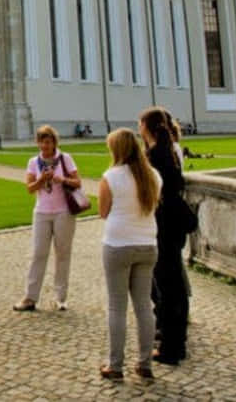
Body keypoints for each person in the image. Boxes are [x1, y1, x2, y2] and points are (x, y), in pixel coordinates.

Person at [97, 128, 161, 382]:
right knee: (144, 305)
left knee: (117, 306)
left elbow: (103, 212)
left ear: (117, 150)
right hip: (147, 244)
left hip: (118, 245)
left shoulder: (111, 176)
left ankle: (115, 366)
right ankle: (145, 363)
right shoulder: (153, 176)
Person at [140, 108, 190, 365]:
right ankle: (178, 340)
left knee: (166, 284)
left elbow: (149, 192)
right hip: (175, 220)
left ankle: (169, 345)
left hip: (162, 222)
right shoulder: (171, 151)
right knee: (175, 284)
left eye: (141, 125)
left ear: (146, 127)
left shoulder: (154, 155)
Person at [15, 125, 82, 313]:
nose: (45, 145)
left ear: (54, 143)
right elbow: (29, 188)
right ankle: (30, 297)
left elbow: (78, 182)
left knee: (62, 253)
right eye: (42, 142)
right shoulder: (33, 162)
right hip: (42, 212)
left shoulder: (65, 159)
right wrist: (41, 180)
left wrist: (62, 180)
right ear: (37, 143)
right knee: (38, 253)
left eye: (48, 142)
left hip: (63, 212)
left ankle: (61, 297)